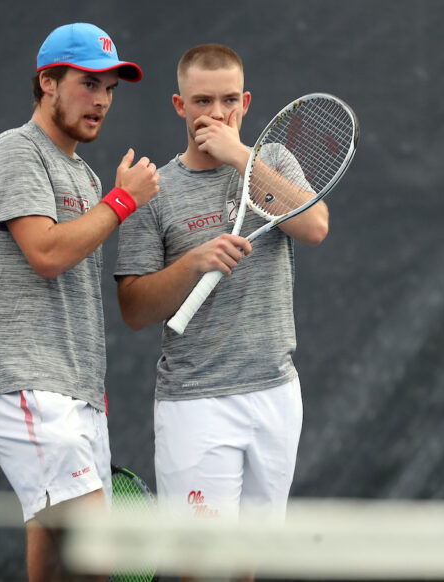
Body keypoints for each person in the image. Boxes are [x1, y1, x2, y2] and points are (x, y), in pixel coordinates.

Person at [114, 43, 329, 579]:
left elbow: (315, 225)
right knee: (198, 567)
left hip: (275, 393)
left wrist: (239, 155)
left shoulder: (272, 163)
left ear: (246, 102)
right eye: (202, 100)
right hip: (196, 403)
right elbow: (134, 309)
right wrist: (193, 263)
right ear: (178, 105)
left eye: (229, 100)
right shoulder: (156, 192)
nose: (216, 112)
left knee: (245, 565)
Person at [0, 23, 159, 582]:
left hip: (72, 392)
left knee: (54, 556)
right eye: (87, 83)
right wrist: (122, 201)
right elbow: (46, 254)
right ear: (48, 82)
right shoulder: (15, 151)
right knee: (97, 556)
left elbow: (71, 291)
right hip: (24, 384)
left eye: (110, 89)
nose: (100, 100)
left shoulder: (82, 172)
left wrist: (88, 389)